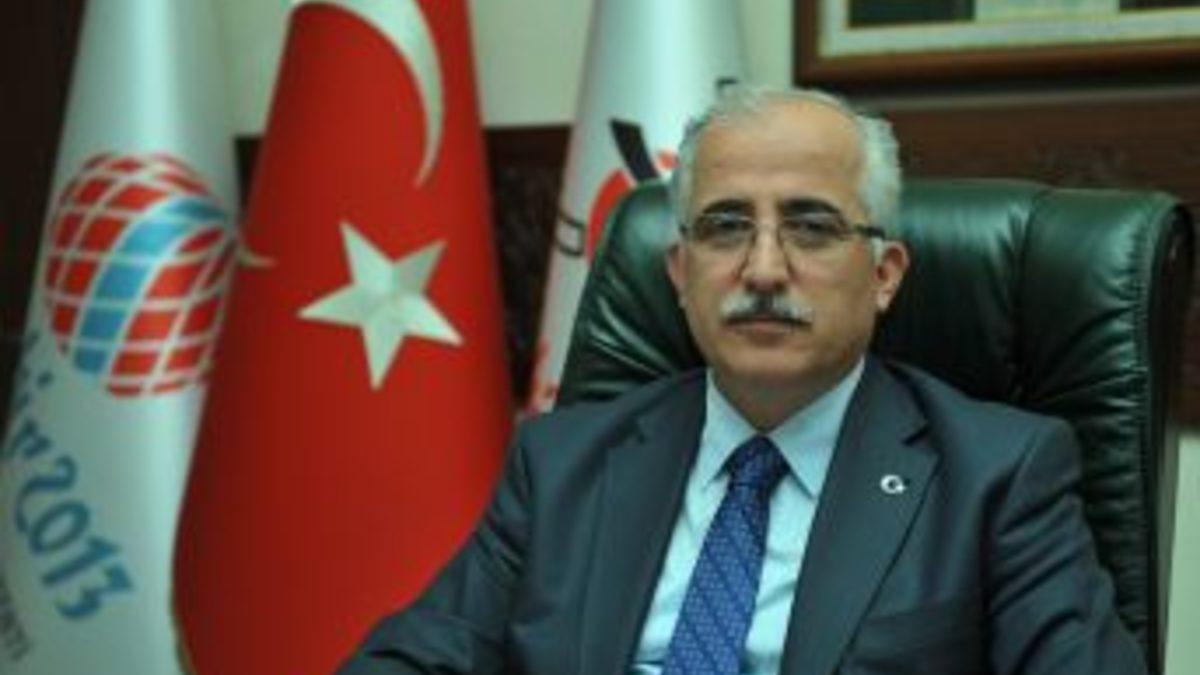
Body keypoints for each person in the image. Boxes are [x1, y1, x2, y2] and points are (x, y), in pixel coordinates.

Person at [337, 86, 1147, 674]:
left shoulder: (997, 474)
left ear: (885, 274)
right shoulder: (562, 464)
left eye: (811, 226)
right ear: (679, 271)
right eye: (726, 227)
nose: (762, 268)